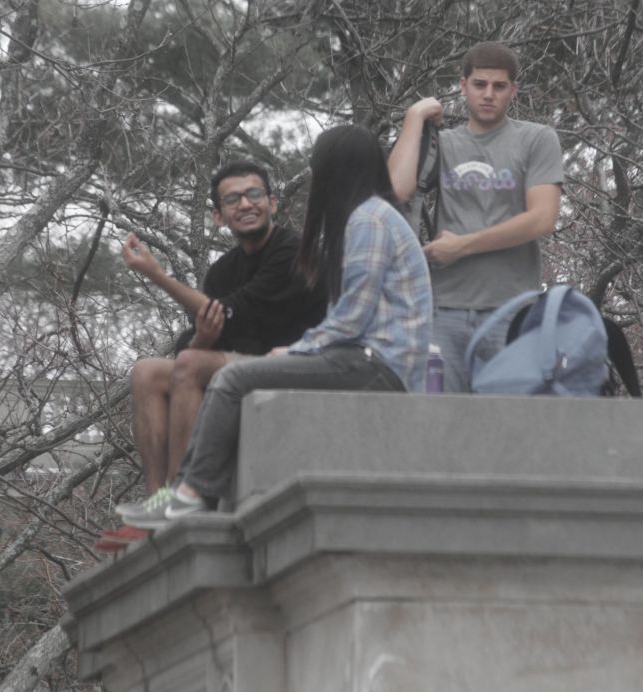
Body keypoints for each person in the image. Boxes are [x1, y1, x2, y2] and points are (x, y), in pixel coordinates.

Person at [146, 124, 433, 521]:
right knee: (196, 374)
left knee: (231, 379)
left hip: (378, 365)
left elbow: (352, 318)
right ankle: (173, 492)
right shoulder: (368, 217)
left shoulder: (369, 220)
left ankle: (195, 492)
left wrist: (299, 349)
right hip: (367, 359)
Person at [98, 161, 326, 549]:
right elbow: (204, 338)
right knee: (147, 373)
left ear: (272, 202)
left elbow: (229, 314)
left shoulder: (291, 249)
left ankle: (178, 497)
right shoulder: (223, 271)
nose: (246, 204)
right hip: (250, 365)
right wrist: (204, 337)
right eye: (233, 199)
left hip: (301, 365)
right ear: (218, 216)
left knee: (189, 362)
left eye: (254, 194)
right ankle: (157, 498)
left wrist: (156, 274)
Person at [388, 42, 563, 392]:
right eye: (480, 84)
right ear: (463, 85)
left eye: (499, 87)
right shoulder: (443, 143)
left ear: (513, 90)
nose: (488, 95)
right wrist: (414, 117)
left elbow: (543, 218)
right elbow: (397, 189)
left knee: (504, 431)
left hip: (511, 309)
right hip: (443, 312)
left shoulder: (536, 139)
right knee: (439, 426)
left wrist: (463, 246)